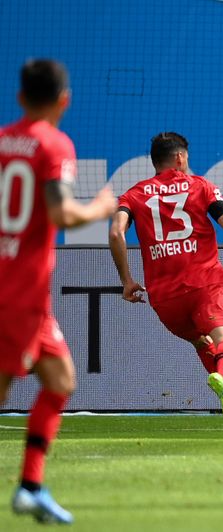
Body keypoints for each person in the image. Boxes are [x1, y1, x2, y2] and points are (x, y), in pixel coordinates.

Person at [1, 59, 117, 524]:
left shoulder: (3, 142)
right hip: (20, 290)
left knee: (61, 381)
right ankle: (29, 487)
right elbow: (60, 215)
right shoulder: (54, 144)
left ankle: (31, 486)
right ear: (64, 99)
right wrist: (101, 207)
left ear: (20, 97)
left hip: (24, 290)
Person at [108, 132, 223, 426]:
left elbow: (117, 232)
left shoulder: (134, 195)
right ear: (180, 158)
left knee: (203, 343)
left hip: (164, 298)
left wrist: (127, 280)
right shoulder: (200, 186)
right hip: (202, 284)